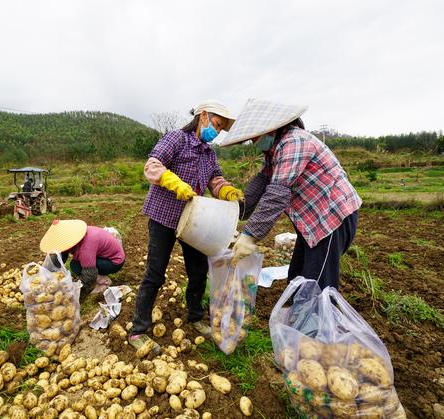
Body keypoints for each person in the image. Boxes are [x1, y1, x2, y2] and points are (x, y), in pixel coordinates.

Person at [129, 99, 244, 352]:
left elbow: (215, 179)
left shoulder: (208, 152)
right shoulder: (176, 139)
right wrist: (173, 181)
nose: (217, 131)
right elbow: (152, 166)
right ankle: (138, 330)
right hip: (163, 217)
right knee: (155, 273)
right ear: (203, 116)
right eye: (216, 124)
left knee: (198, 270)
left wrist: (226, 191)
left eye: (221, 129)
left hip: (194, 219)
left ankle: (194, 316)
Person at [222, 99, 362, 290]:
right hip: (312, 222)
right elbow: (263, 181)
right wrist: (237, 209)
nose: (254, 142)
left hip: (331, 219)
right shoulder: (275, 150)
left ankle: (318, 318)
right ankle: (297, 316)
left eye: (254, 137)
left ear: (269, 129)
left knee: (315, 285)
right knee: (296, 278)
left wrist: (249, 235)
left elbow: (277, 193)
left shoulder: (294, 141)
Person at [40, 219, 126, 299]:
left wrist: (78, 293)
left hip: (114, 262)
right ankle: (98, 276)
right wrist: (46, 274)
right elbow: (62, 254)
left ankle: (102, 281)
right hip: (104, 255)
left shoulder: (86, 247)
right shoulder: (76, 235)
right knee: (74, 264)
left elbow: (89, 274)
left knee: (77, 267)